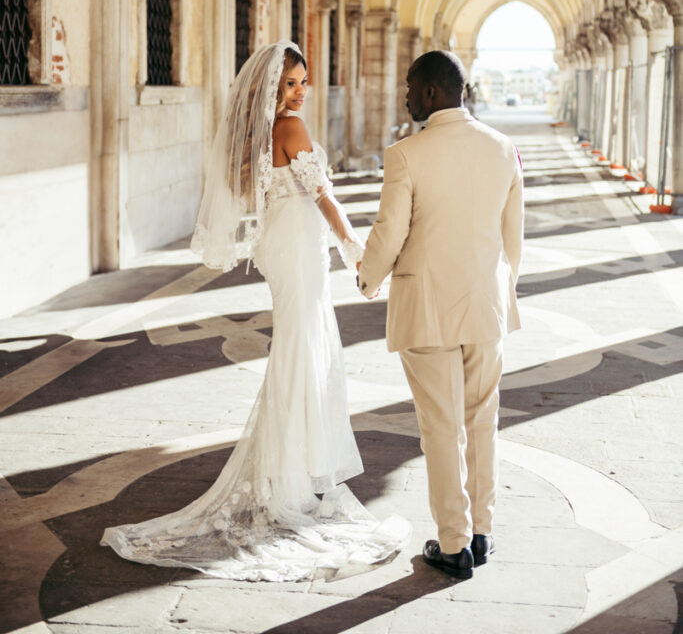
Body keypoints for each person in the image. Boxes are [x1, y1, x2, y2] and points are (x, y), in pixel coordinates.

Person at [102, 41, 409, 581]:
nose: (299, 92)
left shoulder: (256, 138)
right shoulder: (290, 129)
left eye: (303, 82)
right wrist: (356, 249)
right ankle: (289, 477)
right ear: (271, 89)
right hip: (298, 243)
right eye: (290, 83)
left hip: (282, 244)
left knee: (299, 342)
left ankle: (290, 469)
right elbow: (324, 199)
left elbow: (258, 192)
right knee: (302, 345)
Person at [357, 50, 523, 580]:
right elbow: (512, 239)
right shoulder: (503, 149)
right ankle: (481, 531)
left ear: (431, 92)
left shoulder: (406, 154)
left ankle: (453, 544)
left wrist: (368, 277)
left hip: (427, 308)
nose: (405, 96)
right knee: (481, 420)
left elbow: (390, 232)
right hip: (485, 304)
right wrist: (501, 286)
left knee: (440, 426)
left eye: (410, 87)